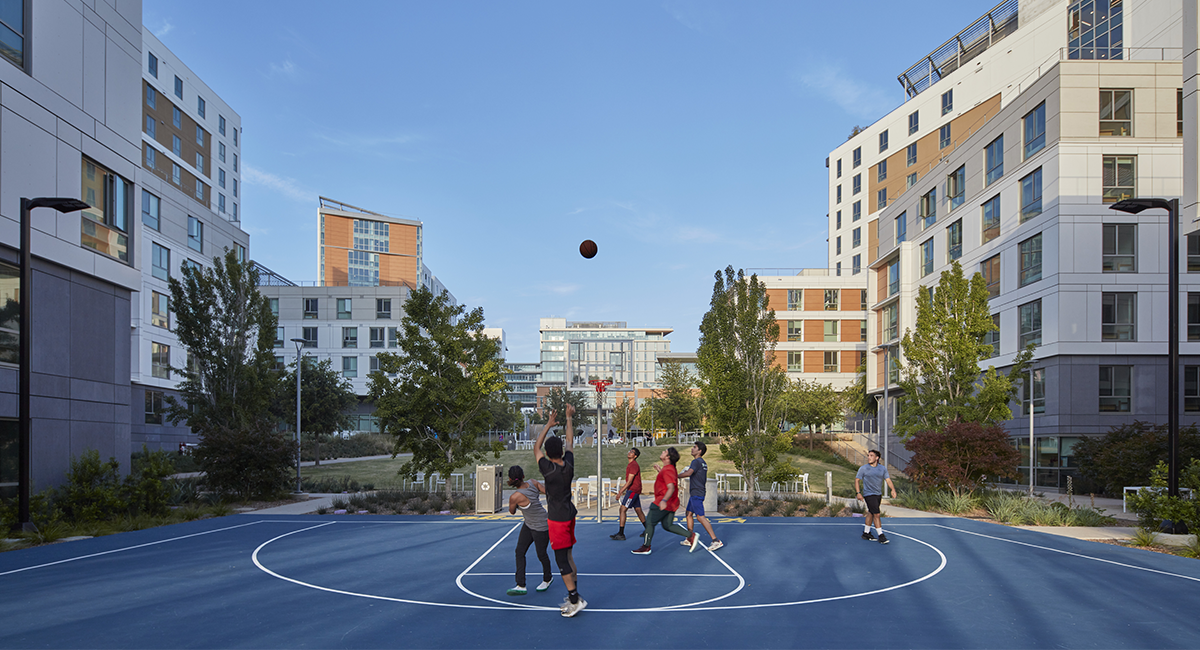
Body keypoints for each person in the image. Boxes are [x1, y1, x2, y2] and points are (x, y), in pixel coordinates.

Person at [535, 404, 586, 617]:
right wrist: (568, 419)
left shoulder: (548, 470)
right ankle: (575, 594)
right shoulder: (569, 464)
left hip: (557, 520)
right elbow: (571, 441)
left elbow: (535, 448)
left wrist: (548, 424)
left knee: (561, 561)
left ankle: (574, 600)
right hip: (569, 515)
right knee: (569, 555)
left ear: (548, 454)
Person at [631, 447, 692, 555]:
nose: (662, 452)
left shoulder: (668, 469)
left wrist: (663, 500)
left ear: (668, 457)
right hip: (672, 503)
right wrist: (659, 470)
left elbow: (671, 487)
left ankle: (646, 547)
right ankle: (691, 536)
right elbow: (668, 479)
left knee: (649, 522)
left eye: (665, 452)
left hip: (663, 501)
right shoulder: (669, 469)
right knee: (667, 525)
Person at [505, 465, 554, 596]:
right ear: (523, 476)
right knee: (519, 551)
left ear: (510, 479)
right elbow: (548, 492)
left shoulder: (515, 497)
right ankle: (521, 585)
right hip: (529, 524)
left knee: (541, 554)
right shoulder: (533, 482)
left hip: (541, 526)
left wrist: (516, 505)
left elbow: (511, 511)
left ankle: (548, 578)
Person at [678, 442, 723, 552]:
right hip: (696, 492)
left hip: (697, 494)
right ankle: (689, 538)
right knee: (688, 514)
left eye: (694, 447)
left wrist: (675, 475)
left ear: (700, 451)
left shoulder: (696, 461)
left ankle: (716, 540)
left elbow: (688, 473)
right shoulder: (702, 462)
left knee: (700, 517)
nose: (692, 449)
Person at [855, 449, 898, 544]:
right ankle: (881, 535)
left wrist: (893, 489)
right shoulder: (863, 468)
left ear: (877, 458)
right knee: (877, 514)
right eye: (868, 455)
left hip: (878, 494)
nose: (869, 457)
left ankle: (866, 533)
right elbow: (857, 480)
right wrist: (858, 493)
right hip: (869, 494)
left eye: (871, 456)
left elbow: (888, 480)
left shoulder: (882, 469)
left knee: (871, 512)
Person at [610, 448, 646, 541]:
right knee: (638, 510)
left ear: (635, 456)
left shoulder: (633, 465)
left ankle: (621, 534)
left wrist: (620, 491)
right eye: (630, 451)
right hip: (634, 490)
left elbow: (630, 481)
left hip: (633, 490)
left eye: (632, 452)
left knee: (622, 509)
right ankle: (648, 529)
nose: (629, 452)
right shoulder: (631, 465)